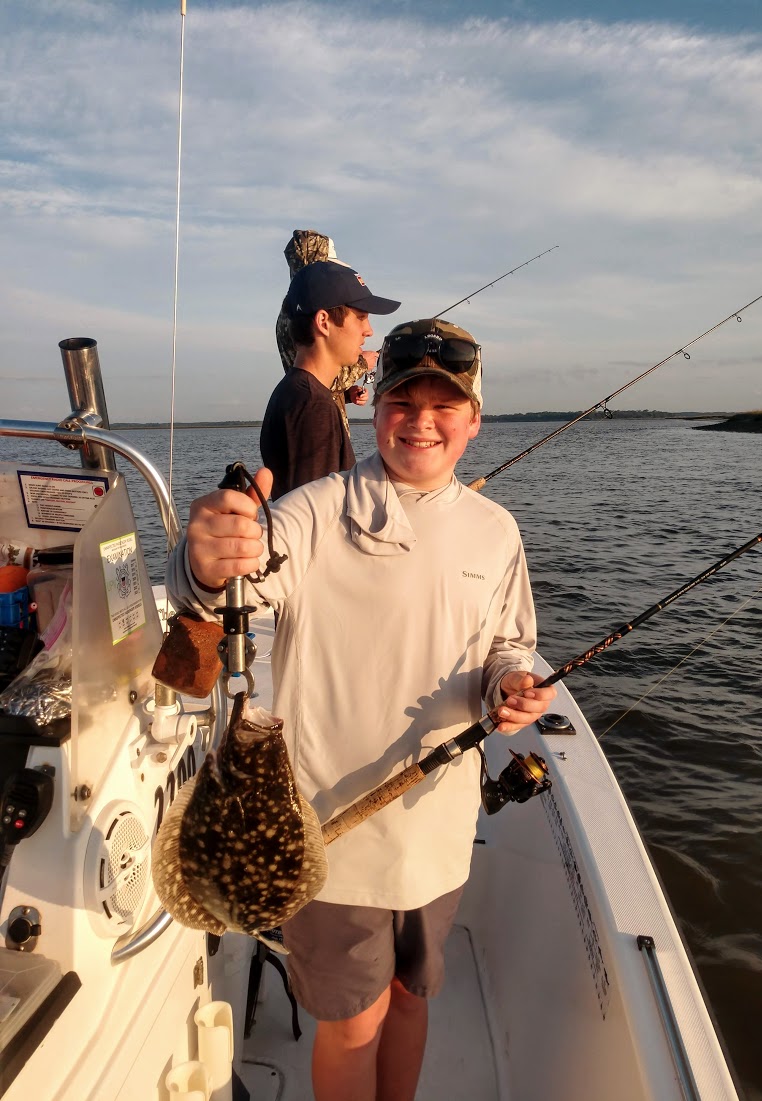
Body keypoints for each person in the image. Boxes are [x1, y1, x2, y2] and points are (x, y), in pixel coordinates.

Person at [167, 317, 557, 1101]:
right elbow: (220, 591)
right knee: (353, 1021)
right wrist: (204, 559)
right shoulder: (312, 513)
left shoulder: (495, 531)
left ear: (474, 420)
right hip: (323, 834)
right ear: (373, 411)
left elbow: (508, 644)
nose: (421, 421)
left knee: (412, 997)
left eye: (444, 405)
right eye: (402, 401)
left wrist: (510, 685)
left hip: (438, 831)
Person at [260, 259, 400, 499]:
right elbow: (316, 514)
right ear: (323, 322)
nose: (369, 330)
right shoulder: (314, 405)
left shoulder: (294, 392)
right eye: (361, 317)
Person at [275, 229, 380, 436]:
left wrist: (347, 395)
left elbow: (318, 383)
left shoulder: (293, 308)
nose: (368, 331)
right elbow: (316, 376)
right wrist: (363, 364)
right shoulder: (301, 313)